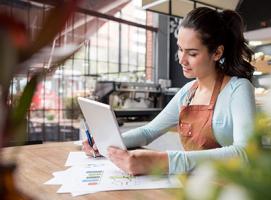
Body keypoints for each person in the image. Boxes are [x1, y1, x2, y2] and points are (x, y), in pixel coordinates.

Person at [83, 7, 256, 175]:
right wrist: (107, 144)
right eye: (180, 49)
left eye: (192, 53)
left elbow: (244, 153)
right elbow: (148, 131)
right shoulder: (188, 92)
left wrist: (161, 161)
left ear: (217, 53)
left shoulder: (238, 89)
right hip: (195, 187)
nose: (182, 59)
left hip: (230, 188)